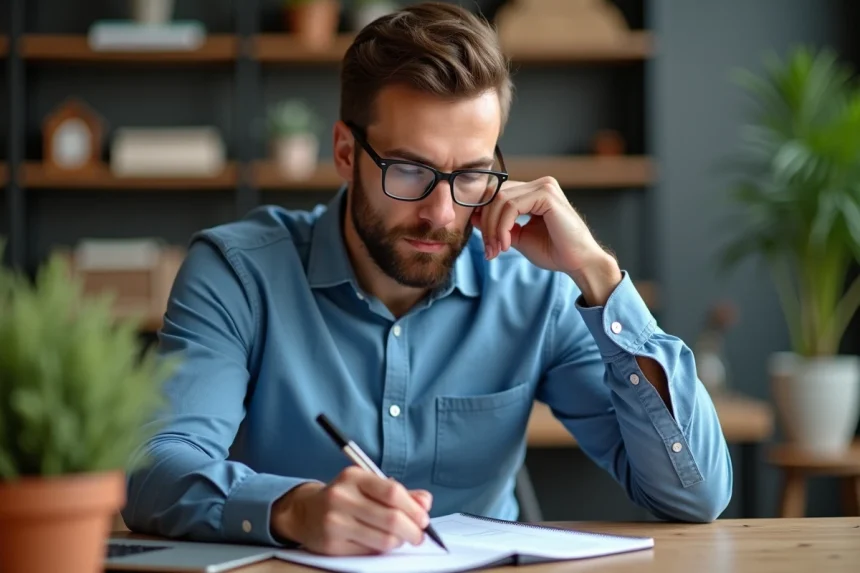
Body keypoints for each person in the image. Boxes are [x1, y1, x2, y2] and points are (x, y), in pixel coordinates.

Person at [123, 1, 732, 557]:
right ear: (344, 152)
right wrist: (292, 509)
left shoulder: (536, 289)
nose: (442, 213)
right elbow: (154, 471)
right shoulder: (237, 274)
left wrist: (599, 274)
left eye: (471, 174)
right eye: (410, 171)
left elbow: (695, 495)